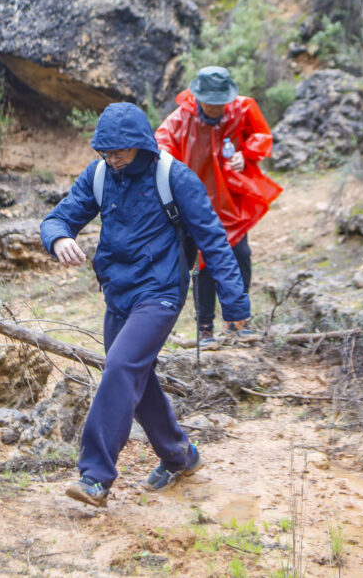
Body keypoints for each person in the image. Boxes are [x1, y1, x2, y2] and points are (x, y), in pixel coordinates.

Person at [41, 102, 250, 508]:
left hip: (161, 293)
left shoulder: (174, 177)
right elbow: (57, 218)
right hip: (118, 294)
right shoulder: (100, 175)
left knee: (120, 368)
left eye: (120, 150)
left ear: (140, 144)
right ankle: (179, 456)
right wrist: (60, 238)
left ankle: (95, 477)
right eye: (105, 150)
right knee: (138, 379)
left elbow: (214, 242)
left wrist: (235, 306)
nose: (112, 157)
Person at [155, 66, 282, 349]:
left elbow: (261, 137)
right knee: (203, 261)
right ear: (198, 97)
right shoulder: (180, 119)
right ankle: (205, 328)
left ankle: (238, 321)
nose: (216, 108)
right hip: (195, 202)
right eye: (210, 103)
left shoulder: (242, 108)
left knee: (240, 253)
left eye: (220, 103)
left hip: (230, 200)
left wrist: (244, 155)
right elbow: (160, 148)